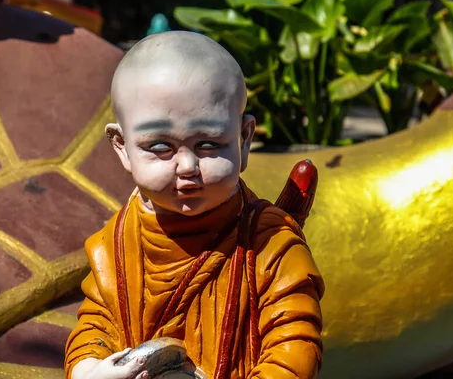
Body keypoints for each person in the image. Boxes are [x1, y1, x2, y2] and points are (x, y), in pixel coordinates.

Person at [65, 31, 324, 379]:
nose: (187, 167)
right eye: (159, 147)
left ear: (244, 140)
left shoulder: (270, 244)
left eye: (208, 144)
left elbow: (294, 346)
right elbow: (95, 327)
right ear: (122, 147)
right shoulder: (118, 244)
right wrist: (90, 371)